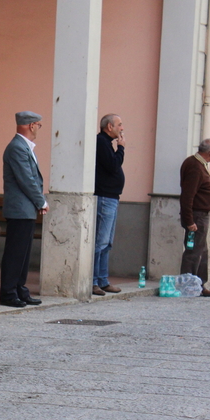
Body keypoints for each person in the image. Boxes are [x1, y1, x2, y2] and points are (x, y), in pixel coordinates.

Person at [0, 111, 47, 308]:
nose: (39, 129)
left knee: (24, 253)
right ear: (31, 125)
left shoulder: (23, 147)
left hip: (25, 209)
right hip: (20, 208)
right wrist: (41, 201)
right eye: (39, 125)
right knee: (15, 252)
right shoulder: (17, 147)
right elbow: (26, 179)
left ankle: (20, 289)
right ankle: (9, 293)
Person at [180, 138, 210, 297]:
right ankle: (189, 285)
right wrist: (189, 221)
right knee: (194, 251)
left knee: (202, 250)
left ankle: (200, 284)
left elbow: (196, 186)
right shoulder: (195, 166)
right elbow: (187, 195)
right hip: (197, 215)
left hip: (200, 214)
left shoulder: (196, 163)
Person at [92, 114, 126, 296]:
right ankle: (94, 281)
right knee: (100, 241)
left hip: (112, 197)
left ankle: (103, 280)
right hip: (104, 197)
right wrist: (121, 149)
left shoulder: (107, 143)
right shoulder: (101, 142)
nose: (122, 128)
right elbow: (113, 166)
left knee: (107, 243)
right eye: (119, 125)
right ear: (109, 126)